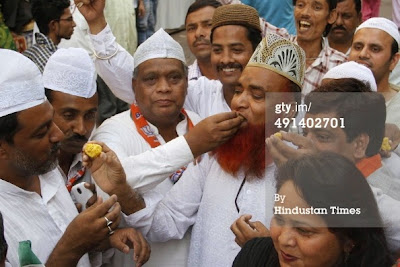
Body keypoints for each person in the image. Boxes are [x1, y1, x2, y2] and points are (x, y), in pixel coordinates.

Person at [86, 33, 305, 267]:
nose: (239, 102)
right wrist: (122, 190)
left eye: (257, 95)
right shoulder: (216, 154)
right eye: (239, 90)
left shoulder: (307, 170)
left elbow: (327, 253)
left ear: (288, 109)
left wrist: (267, 251)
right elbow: (166, 222)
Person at [92, 26, 246, 266]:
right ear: (134, 86)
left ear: (187, 82)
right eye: (151, 79)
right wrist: (190, 146)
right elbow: (112, 180)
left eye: (174, 77)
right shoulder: (113, 130)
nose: (164, 87)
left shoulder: (202, 124)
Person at [0, 48, 150, 267]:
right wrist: (72, 246)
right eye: (42, 132)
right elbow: (68, 246)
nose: (58, 135)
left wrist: (101, 239)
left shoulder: (46, 169)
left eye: (52, 120)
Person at [265, 79, 400, 253]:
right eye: (305, 133)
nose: (306, 143)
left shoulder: (390, 189)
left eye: (323, 137)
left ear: (359, 144)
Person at [77, 1, 262, 119]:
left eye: (237, 50)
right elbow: (135, 83)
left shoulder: (281, 96)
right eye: (218, 50)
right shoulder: (200, 92)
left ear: (256, 50)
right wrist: (97, 23)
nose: (226, 59)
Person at [234, 153, 394, 267]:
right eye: (280, 219)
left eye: (304, 230)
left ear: (349, 241)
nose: (284, 240)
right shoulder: (255, 256)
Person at [221, 0, 347, 97]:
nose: (305, 13)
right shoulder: (277, 44)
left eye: (316, 7)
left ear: (331, 16)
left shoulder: (340, 65)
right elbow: (239, 11)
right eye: (301, 5)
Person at [42, 47, 98, 194]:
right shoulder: (27, 164)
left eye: (89, 115)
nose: (82, 129)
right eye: (69, 115)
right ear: (45, 111)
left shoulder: (101, 159)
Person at [348, 17, 400, 128]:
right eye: (357, 47)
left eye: (375, 49)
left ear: (394, 60)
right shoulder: (333, 96)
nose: (363, 54)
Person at [23, 0, 75, 72]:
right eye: (69, 19)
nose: (74, 24)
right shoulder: (52, 63)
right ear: (53, 25)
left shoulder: (30, 52)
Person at [185, 0, 221, 80]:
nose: (198, 33)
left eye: (208, 25)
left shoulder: (246, 77)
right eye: (192, 28)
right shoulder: (182, 82)